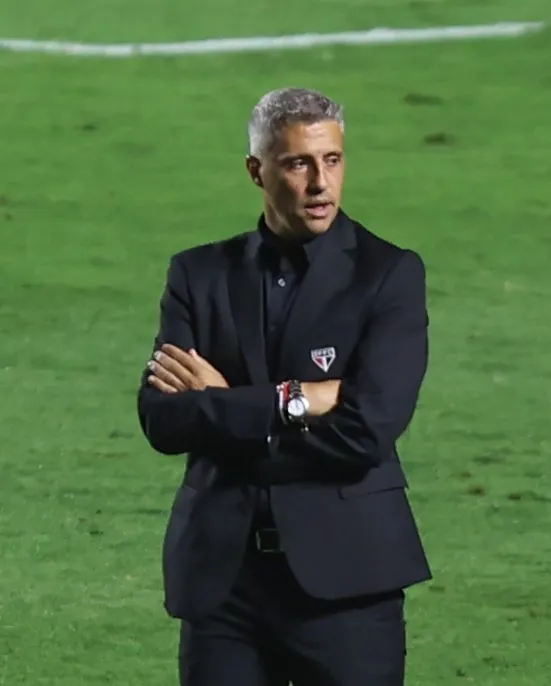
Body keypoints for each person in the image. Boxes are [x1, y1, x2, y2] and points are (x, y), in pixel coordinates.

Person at [136, 86, 432, 686]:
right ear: (257, 170)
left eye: (332, 160)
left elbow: (364, 433)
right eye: (298, 163)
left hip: (348, 583)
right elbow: (163, 422)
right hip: (225, 586)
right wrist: (295, 400)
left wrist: (224, 408)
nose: (320, 183)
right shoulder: (198, 274)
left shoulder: (389, 274)